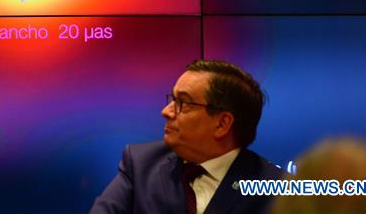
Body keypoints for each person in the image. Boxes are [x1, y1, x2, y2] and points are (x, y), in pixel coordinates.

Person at [91, 59, 282, 214]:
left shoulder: (275, 187)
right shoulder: (141, 164)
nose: (166, 111)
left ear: (222, 124)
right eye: (172, 99)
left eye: (183, 103)